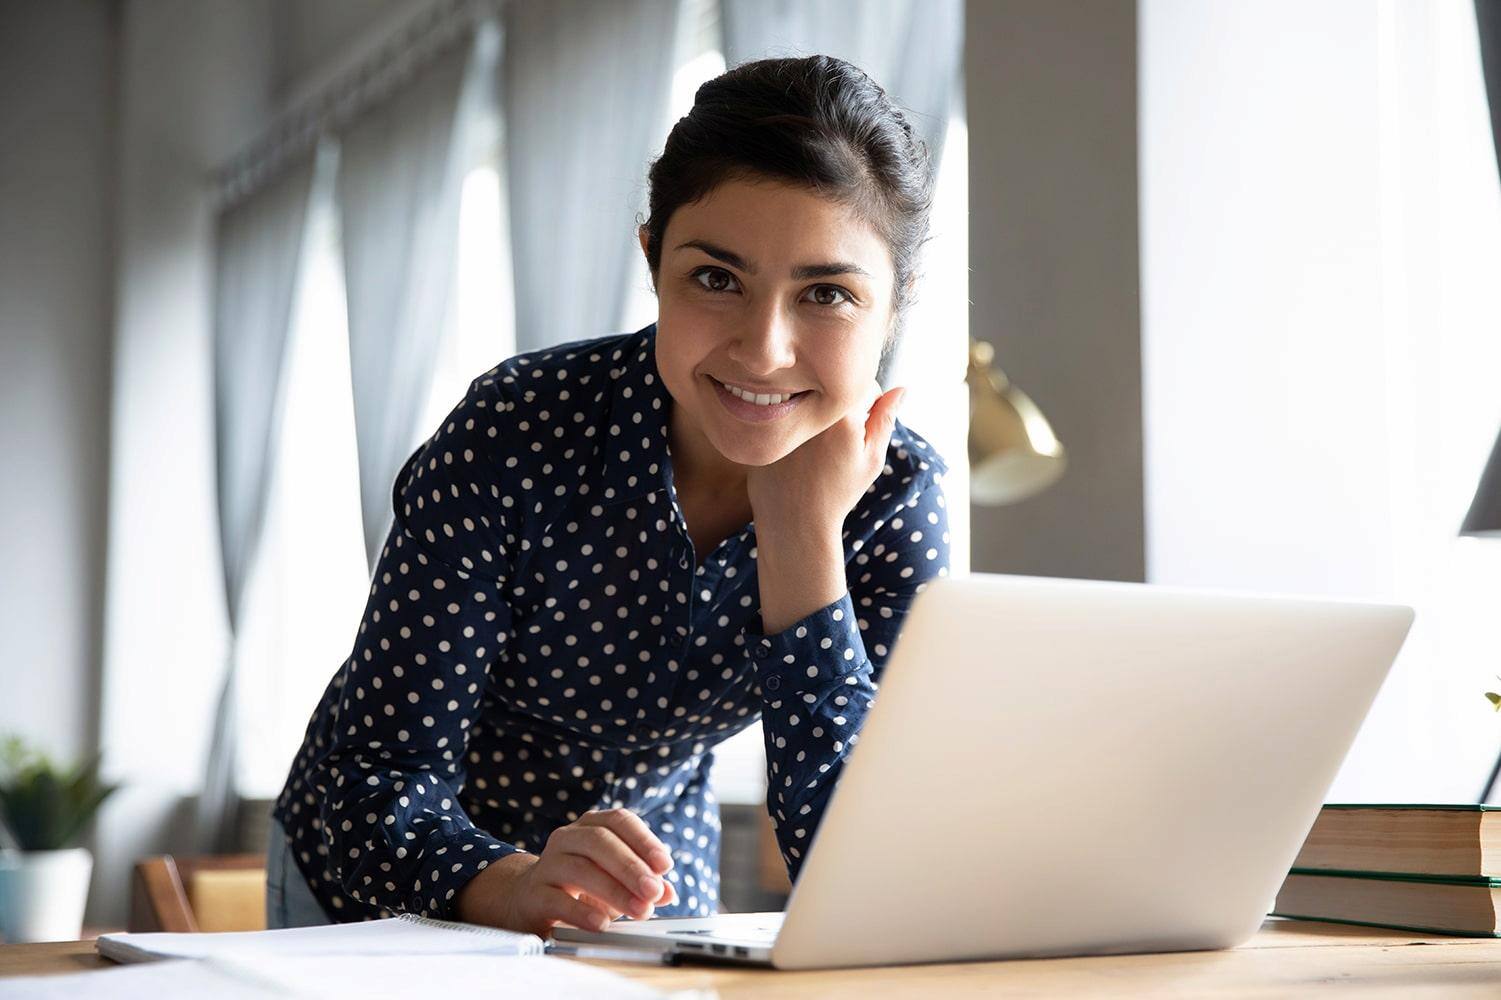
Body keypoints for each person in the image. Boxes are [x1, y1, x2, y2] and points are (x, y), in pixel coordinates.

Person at [266, 53, 952, 937]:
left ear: (893, 309)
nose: (763, 350)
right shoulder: (517, 428)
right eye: (715, 278)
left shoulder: (894, 499)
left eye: (827, 293)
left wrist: (801, 535)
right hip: (385, 874)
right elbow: (375, 777)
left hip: (647, 889)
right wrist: (510, 883)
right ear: (653, 261)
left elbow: (860, 864)